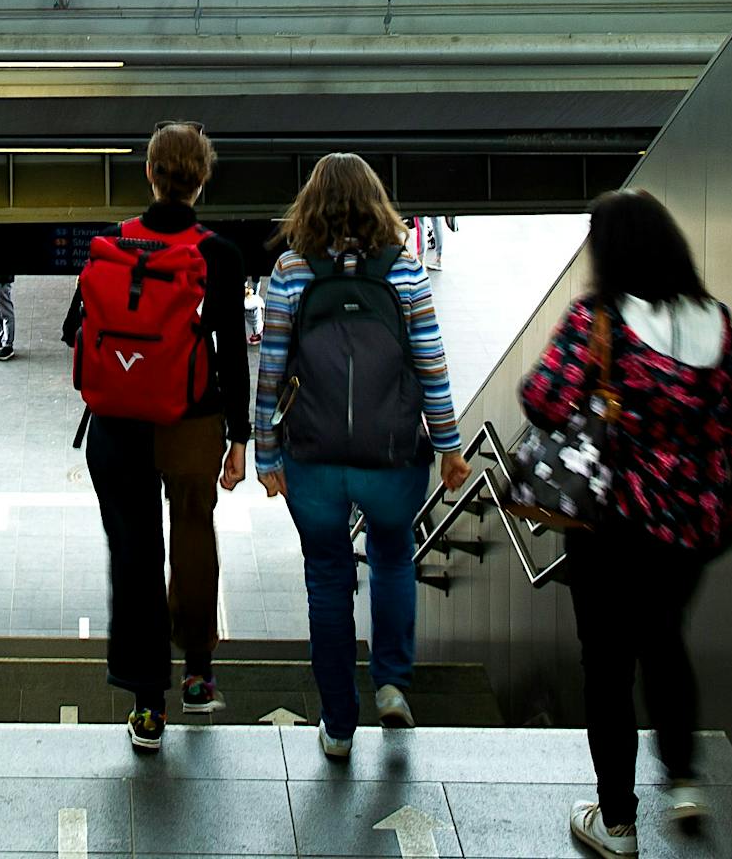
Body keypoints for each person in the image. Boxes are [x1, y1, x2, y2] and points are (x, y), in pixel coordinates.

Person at [520, 190, 732, 858]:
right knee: (665, 641)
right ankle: (683, 779)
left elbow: (542, 400)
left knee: (607, 667)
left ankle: (618, 822)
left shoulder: (597, 318)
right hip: (691, 524)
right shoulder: (714, 321)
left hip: (610, 524)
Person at [255, 154, 468, 757]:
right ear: (377, 203)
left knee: (326, 579)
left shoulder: (292, 271)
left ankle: (338, 724)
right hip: (393, 453)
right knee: (394, 559)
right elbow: (430, 362)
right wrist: (449, 446)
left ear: (311, 206)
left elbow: (271, 371)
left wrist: (267, 454)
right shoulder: (403, 270)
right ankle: (394, 683)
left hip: (314, 456)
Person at [66, 122, 248, 751]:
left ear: (150, 174)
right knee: (192, 533)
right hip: (192, 419)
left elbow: (75, 330)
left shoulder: (112, 244)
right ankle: (198, 672)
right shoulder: (216, 253)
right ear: (202, 179)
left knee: (136, 551)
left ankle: (149, 706)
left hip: (117, 424)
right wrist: (240, 436)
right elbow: (231, 350)